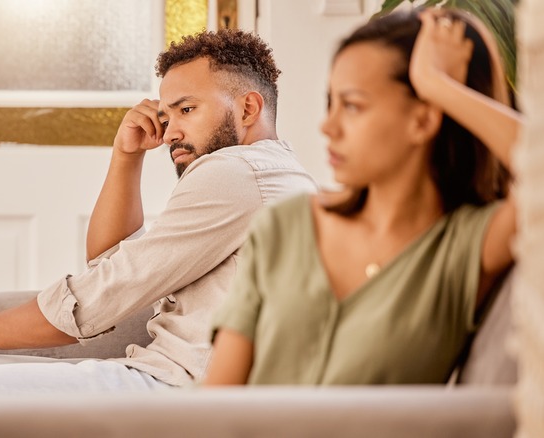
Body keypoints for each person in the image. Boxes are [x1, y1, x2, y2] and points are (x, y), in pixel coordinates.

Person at [0, 29, 318, 400]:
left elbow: (101, 295)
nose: (170, 132)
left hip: (179, 389)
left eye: (187, 110)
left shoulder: (234, 173)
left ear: (247, 109)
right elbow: (110, 262)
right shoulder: (267, 171)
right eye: (166, 115)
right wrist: (126, 156)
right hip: (169, 369)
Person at [204, 8, 522, 386]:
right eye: (330, 103)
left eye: (352, 105)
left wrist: (437, 86)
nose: (328, 126)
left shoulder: (465, 248)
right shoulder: (284, 226)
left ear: (422, 120)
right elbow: (217, 401)